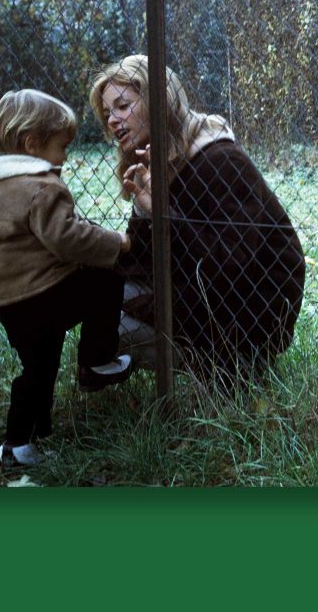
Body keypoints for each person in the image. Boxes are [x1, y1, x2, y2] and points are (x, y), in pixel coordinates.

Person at [89, 55, 305, 382]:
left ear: (155, 100)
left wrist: (161, 211)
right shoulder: (157, 161)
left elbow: (226, 267)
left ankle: (232, 368)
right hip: (199, 290)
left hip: (251, 311)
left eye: (123, 106)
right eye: (107, 114)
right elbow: (144, 259)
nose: (113, 121)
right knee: (99, 297)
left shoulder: (220, 160)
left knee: (112, 325)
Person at [0, 88, 134, 466]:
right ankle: (96, 360)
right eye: (62, 146)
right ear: (32, 144)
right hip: (46, 296)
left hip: (10, 305)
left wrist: (2, 274)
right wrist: (116, 241)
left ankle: (19, 443)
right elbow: (68, 239)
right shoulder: (41, 188)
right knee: (106, 280)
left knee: (37, 369)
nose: (65, 156)